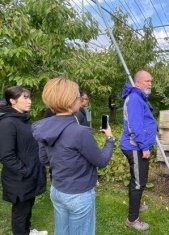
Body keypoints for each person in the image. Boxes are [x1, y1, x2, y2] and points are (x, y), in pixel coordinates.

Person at [31, 77, 115, 235]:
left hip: (57, 190)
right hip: (79, 194)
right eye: (78, 95)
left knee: (62, 231)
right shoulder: (80, 132)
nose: (81, 98)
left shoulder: (41, 127)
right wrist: (110, 139)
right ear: (70, 100)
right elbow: (102, 161)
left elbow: (44, 159)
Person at [0, 86, 47, 235]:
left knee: (28, 207)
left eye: (29, 97)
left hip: (30, 174)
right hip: (20, 177)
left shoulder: (24, 119)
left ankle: (27, 231)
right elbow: (6, 155)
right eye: (25, 98)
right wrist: (25, 170)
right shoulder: (7, 123)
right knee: (20, 212)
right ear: (13, 101)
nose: (30, 101)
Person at [120, 70, 157, 231]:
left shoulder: (138, 97)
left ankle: (136, 205)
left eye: (151, 81)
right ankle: (132, 219)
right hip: (135, 147)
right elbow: (135, 126)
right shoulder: (135, 99)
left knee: (139, 180)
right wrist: (144, 147)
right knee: (138, 182)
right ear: (137, 83)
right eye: (146, 81)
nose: (150, 84)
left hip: (138, 146)